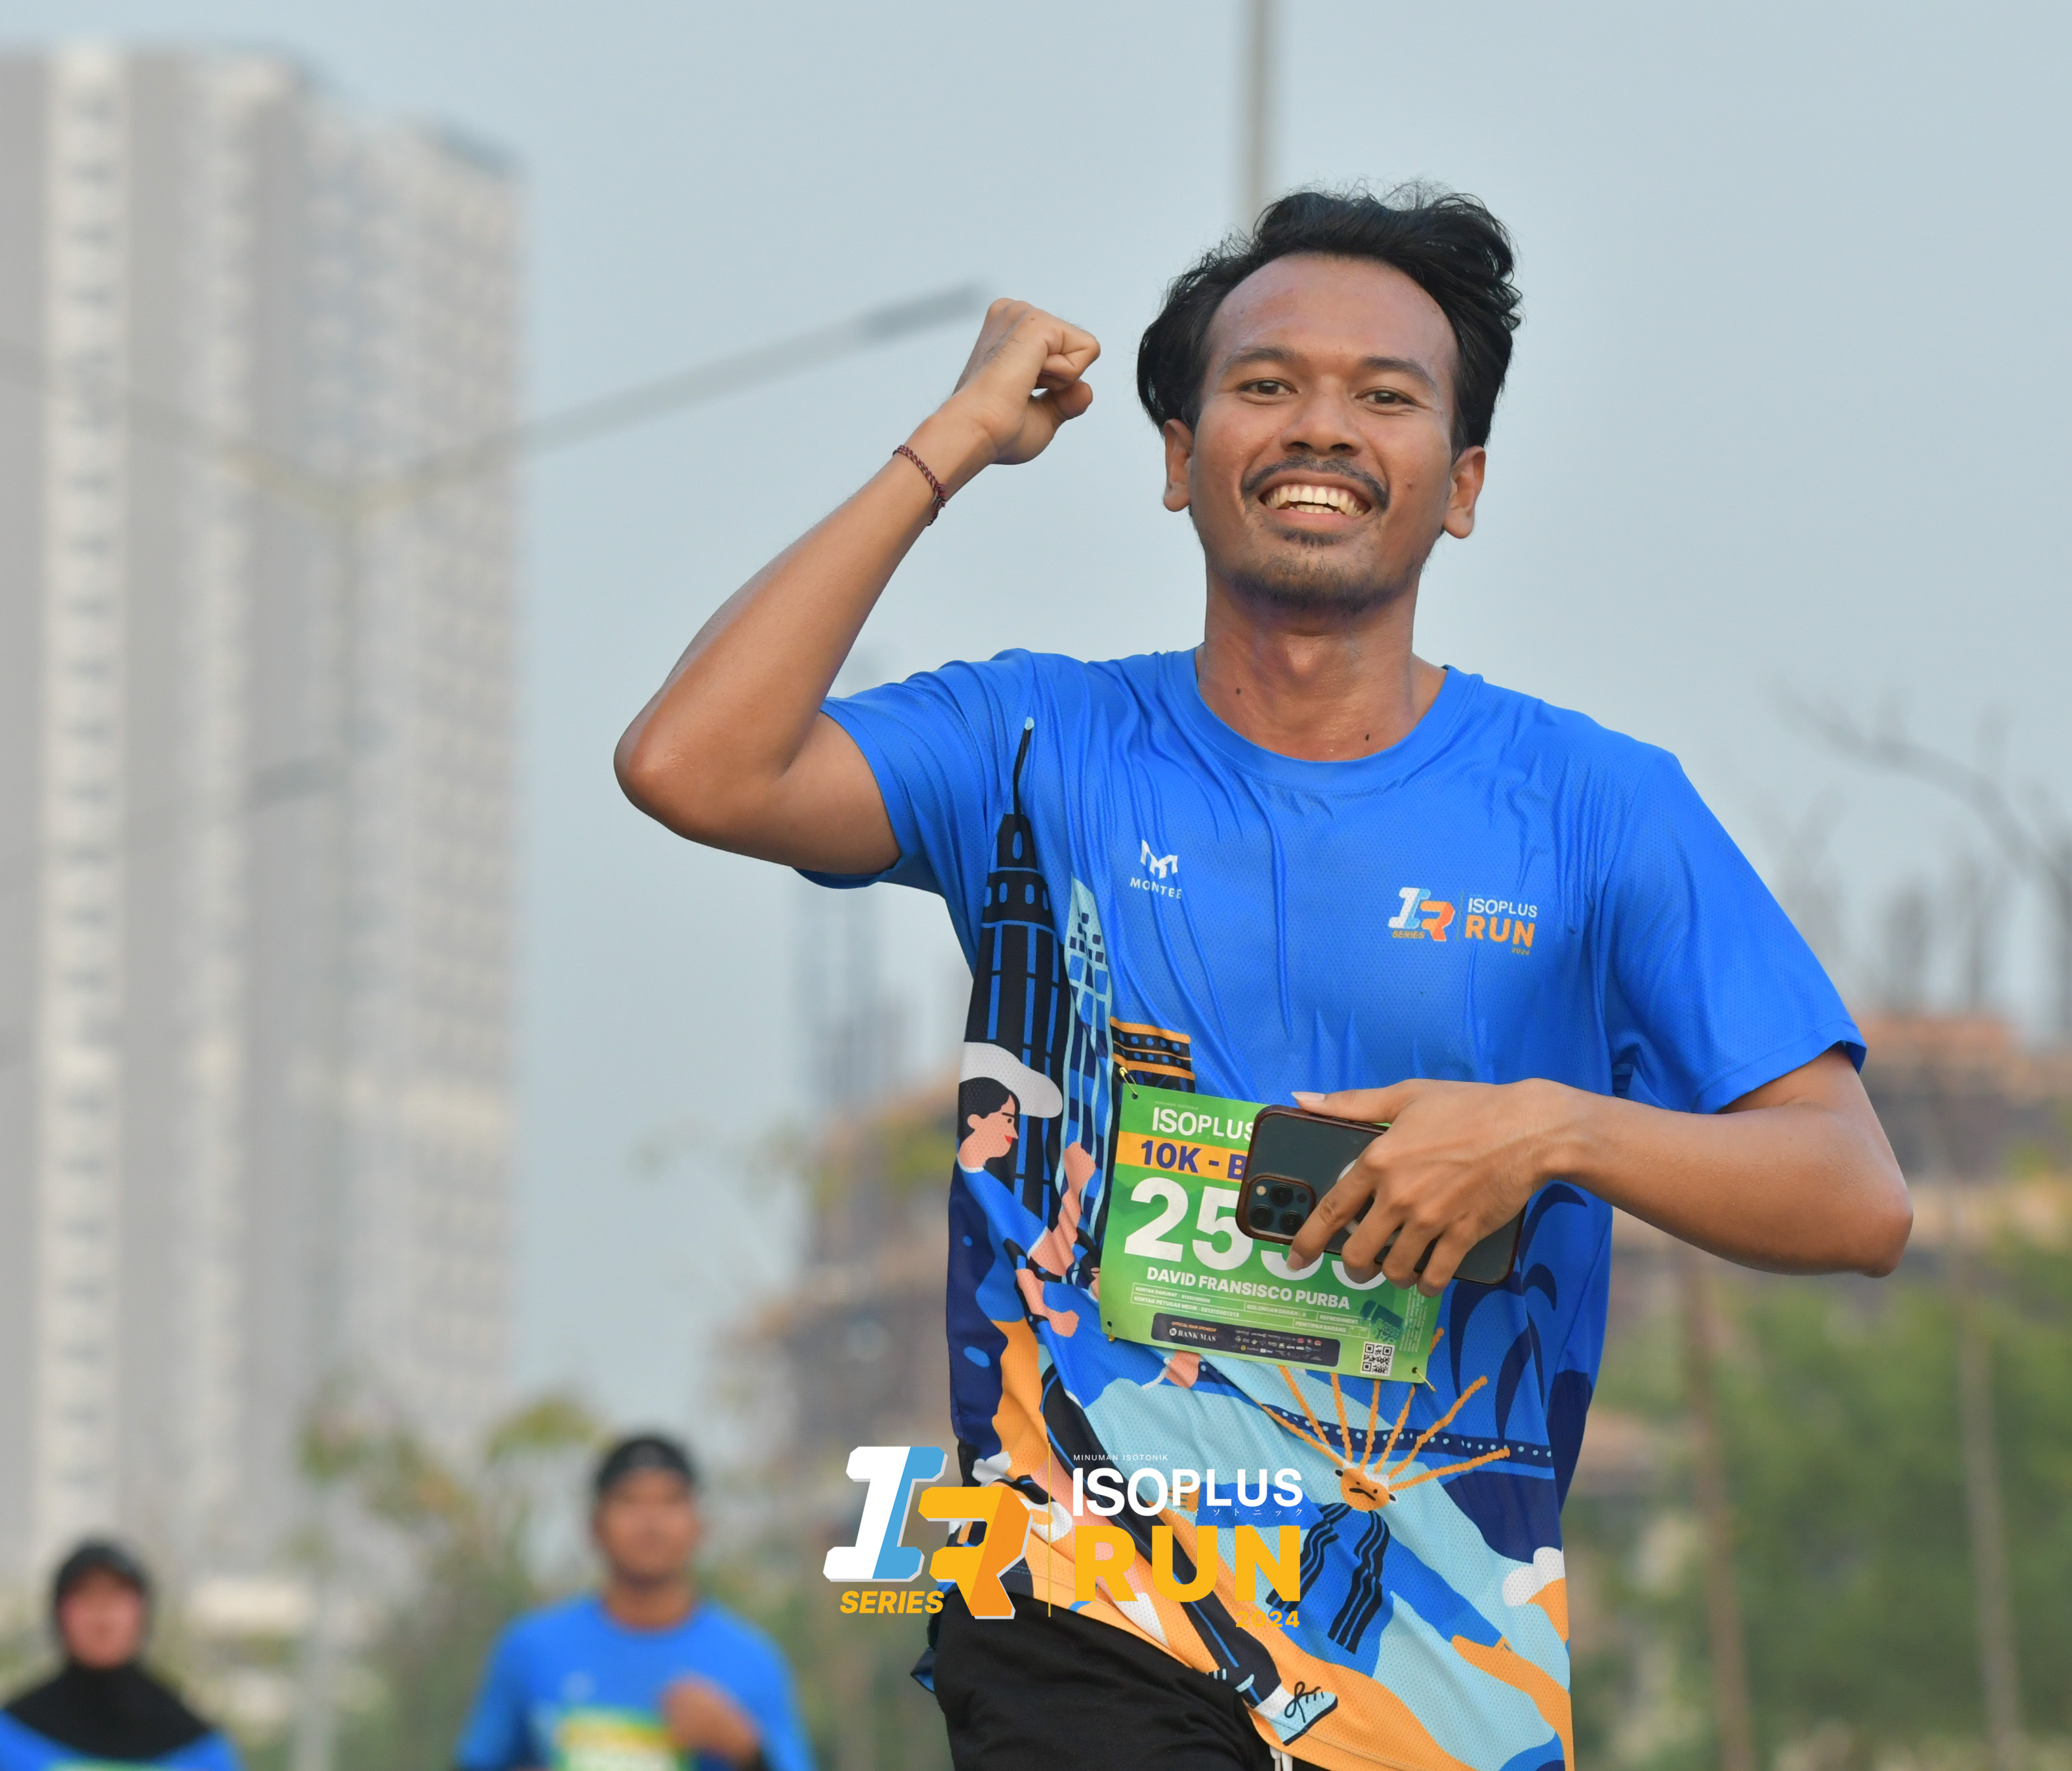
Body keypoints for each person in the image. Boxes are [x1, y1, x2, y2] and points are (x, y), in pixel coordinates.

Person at [615, 184, 1914, 1771]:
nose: (1322, 426)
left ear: (1462, 484)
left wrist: (1546, 1132)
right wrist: (950, 441)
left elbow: (1854, 1197)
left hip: (1439, 1659)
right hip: (1079, 1603)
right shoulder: (1033, 745)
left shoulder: (1597, 809)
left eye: (1387, 396)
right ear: (1178, 457)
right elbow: (692, 763)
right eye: (1266, 383)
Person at [455, 1434, 812, 1771]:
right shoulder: (531, 1648)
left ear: (700, 1526)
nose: (651, 1522)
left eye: (671, 1502)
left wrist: (746, 1751)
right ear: (595, 1526)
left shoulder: (752, 1660)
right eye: (629, 1501)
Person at [0, 1539, 236, 1771]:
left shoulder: (197, 1748)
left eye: (117, 1597)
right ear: (59, 1612)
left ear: (143, 1611)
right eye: (86, 1596)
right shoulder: (1, 1738)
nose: (103, 1616)